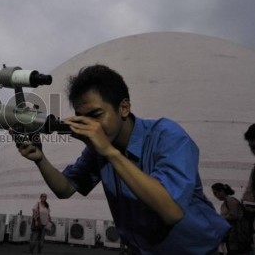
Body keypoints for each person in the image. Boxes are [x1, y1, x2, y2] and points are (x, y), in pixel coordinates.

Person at [15, 64, 230, 254]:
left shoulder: (167, 136)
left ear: (124, 107)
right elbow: (65, 189)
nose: (91, 127)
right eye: (83, 117)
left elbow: (171, 211)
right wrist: (40, 159)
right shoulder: (99, 149)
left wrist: (109, 151)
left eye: (97, 115)